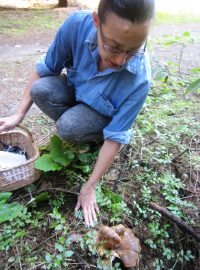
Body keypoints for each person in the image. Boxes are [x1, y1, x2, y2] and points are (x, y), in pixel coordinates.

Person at [0, 0, 155, 226]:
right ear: (96, 21)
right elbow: (45, 69)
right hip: (77, 92)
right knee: (40, 90)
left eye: (133, 50)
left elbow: (116, 136)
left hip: (99, 114)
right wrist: (18, 115)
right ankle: (75, 125)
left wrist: (89, 186)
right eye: (113, 46)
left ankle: (87, 136)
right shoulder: (76, 25)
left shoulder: (140, 79)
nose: (121, 61)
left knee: (68, 127)